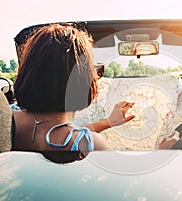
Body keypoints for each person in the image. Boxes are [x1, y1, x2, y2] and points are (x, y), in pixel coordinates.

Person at [12, 23, 121, 155]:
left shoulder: (3, 119)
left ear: (27, 71)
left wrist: (108, 122)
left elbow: (54, 128)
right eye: (94, 69)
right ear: (82, 80)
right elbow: (63, 134)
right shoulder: (91, 144)